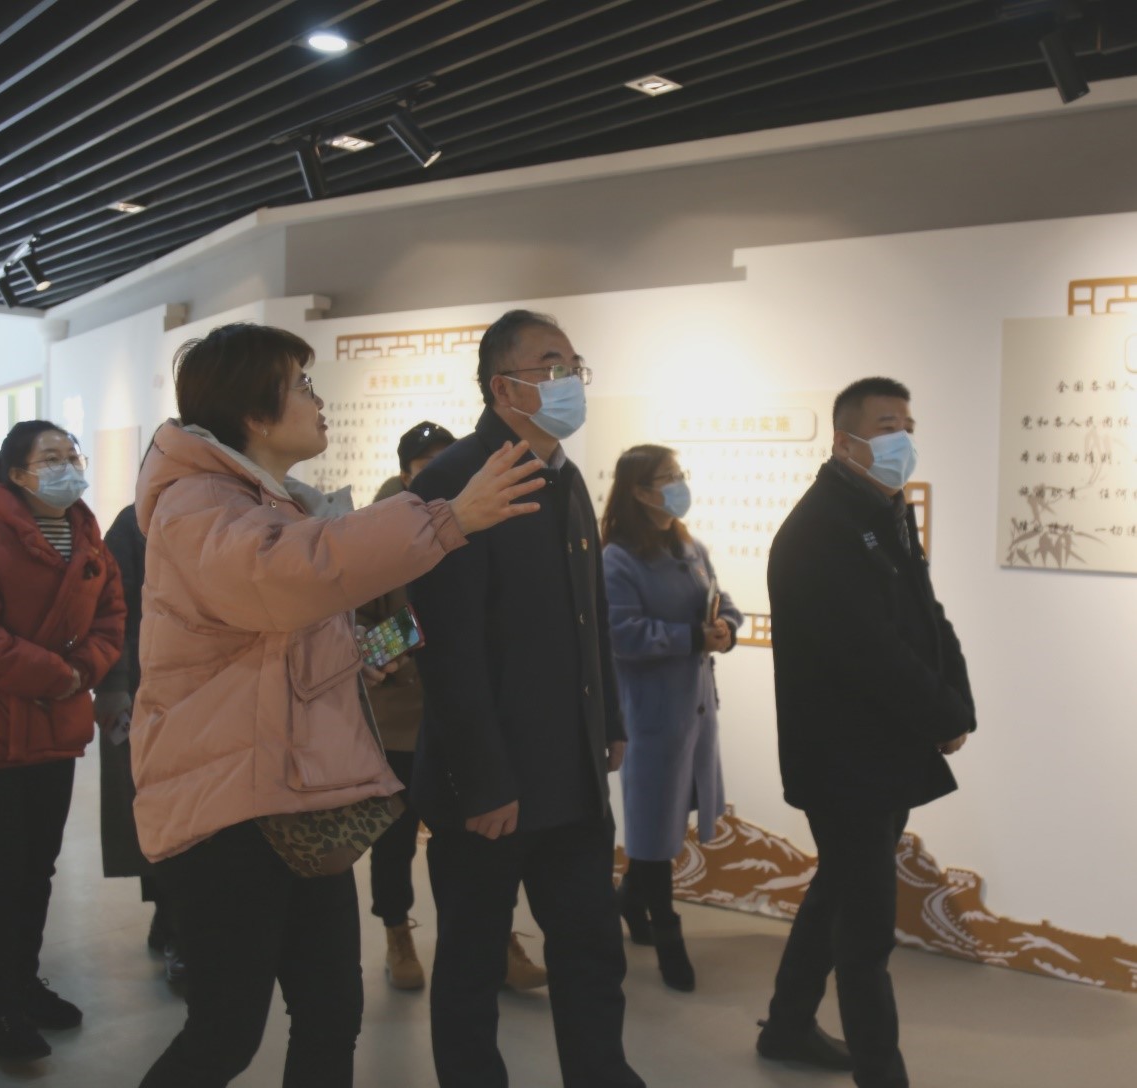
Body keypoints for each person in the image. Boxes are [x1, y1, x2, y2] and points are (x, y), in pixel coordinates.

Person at [130, 322, 544, 1088]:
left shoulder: (271, 504)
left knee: (330, 1015)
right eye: (302, 385)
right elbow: (288, 578)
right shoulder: (198, 504)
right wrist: (448, 518)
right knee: (225, 1035)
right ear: (253, 411)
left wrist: (375, 648)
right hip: (227, 812)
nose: (318, 401)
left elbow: (289, 637)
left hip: (292, 797)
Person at [408, 309, 646, 1088]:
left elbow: (588, 616)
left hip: (569, 775)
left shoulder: (564, 475)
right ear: (502, 386)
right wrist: (483, 781)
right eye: (551, 364)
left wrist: (607, 720)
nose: (569, 379)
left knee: (591, 951)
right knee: (473, 963)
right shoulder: (455, 482)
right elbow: (448, 649)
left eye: (574, 364)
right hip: (492, 787)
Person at [756, 378, 976, 1088]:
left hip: (882, 750)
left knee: (839, 893)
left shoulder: (883, 509)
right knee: (865, 930)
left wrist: (956, 706)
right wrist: (940, 714)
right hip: (843, 760)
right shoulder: (820, 530)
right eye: (886, 425)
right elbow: (871, 651)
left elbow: (926, 614)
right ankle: (881, 1072)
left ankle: (786, 1025)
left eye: (907, 423)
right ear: (844, 441)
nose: (901, 438)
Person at [0, 421, 126, 1063]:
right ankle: (1, 1010)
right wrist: (57, 675)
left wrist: (84, 670)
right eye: (51, 458)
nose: (67, 467)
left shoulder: (88, 536)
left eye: (73, 455)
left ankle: (24, 983)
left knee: (37, 869)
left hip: (53, 729)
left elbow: (112, 616)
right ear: (17, 474)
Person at [358, 421, 548, 993]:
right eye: (428, 468)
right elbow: (357, 634)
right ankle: (397, 933)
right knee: (394, 840)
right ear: (406, 475)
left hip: (464, 720)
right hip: (399, 720)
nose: (444, 478)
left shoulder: (486, 522)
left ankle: (498, 940)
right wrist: (417, 630)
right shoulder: (377, 534)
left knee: (478, 842)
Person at [601, 444, 742, 992]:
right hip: (651, 715)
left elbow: (723, 602)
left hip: (696, 710)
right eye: (668, 477)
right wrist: (692, 638)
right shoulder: (617, 559)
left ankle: (626, 904)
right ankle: (667, 936)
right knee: (653, 830)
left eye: (680, 474)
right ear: (639, 491)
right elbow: (622, 634)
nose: (679, 484)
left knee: (664, 823)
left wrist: (726, 628)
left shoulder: (689, 547)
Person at [93, 500, 186, 984]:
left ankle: (175, 921)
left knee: (196, 817)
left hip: (214, 694)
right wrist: (115, 686)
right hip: (150, 694)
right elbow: (112, 612)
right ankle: (174, 925)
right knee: (160, 814)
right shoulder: (135, 523)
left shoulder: (230, 510)